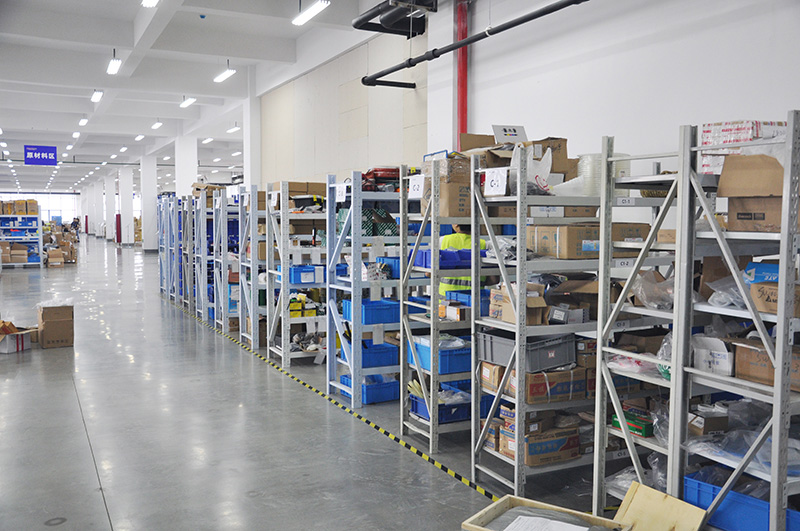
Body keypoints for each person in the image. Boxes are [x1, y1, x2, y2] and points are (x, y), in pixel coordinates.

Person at [438, 224, 490, 296]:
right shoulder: (484, 244)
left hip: (446, 298)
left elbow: (429, 273)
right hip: (475, 298)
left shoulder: (442, 241)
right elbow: (494, 279)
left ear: (456, 225)